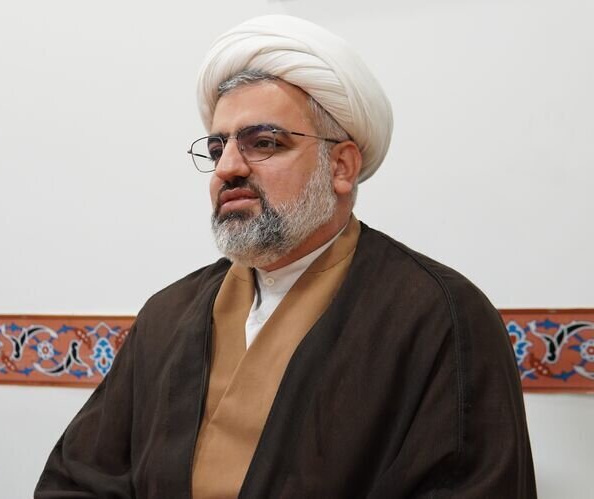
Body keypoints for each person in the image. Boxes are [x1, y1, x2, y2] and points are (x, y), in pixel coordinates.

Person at [35, 15, 537, 498]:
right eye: (217, 149)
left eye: (264, 143)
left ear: (341, 167)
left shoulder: (438, 316)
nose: (227, 168)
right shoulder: (168, 315)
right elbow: (78, 480)